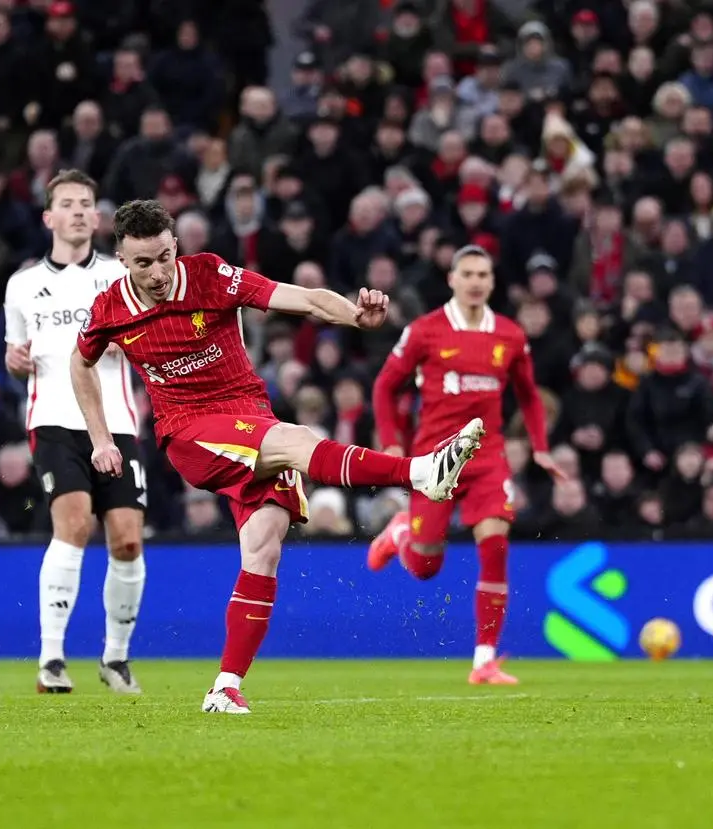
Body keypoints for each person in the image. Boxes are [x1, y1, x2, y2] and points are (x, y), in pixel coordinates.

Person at [71, 200, 483, 714]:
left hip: (249, 418)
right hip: (190, 432)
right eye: (142, 263)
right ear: (122, 260)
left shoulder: (210, 275)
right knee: (299, 439)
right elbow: (80, 362)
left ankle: (224, 686)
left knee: (263, 550)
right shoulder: (111, 308)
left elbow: (305, 300)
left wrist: (354, 316)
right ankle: (419, 474)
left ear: (176, 246)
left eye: (163, 258)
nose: (156, 273)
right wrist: (101, 438)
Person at [367, 245, 560, 685]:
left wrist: (541, 446)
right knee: (426, 568)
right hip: (435, 460)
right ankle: (400, 533)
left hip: (488, 458)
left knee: (495, 548)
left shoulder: (509, 335)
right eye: (468, 273)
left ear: (492, 283)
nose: (475, 281)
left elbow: (529, 394)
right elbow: (384, 386)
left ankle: (484, 661)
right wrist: (393, 442)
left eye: (483, 274)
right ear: (452, 279)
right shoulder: (425, 331)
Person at [3, 169, 147, 695]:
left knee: (128, 542)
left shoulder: (119, 277)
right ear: (49, 217)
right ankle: (52, 659)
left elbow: (146, 339)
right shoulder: (22, 285)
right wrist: (15, 360)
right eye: (68, 204)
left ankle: (116, 658)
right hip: (54, 421)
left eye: (87, 203)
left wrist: (125, 344)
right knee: (74, 524)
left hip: (116, 422)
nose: (80, 211)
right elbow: (15, 353)